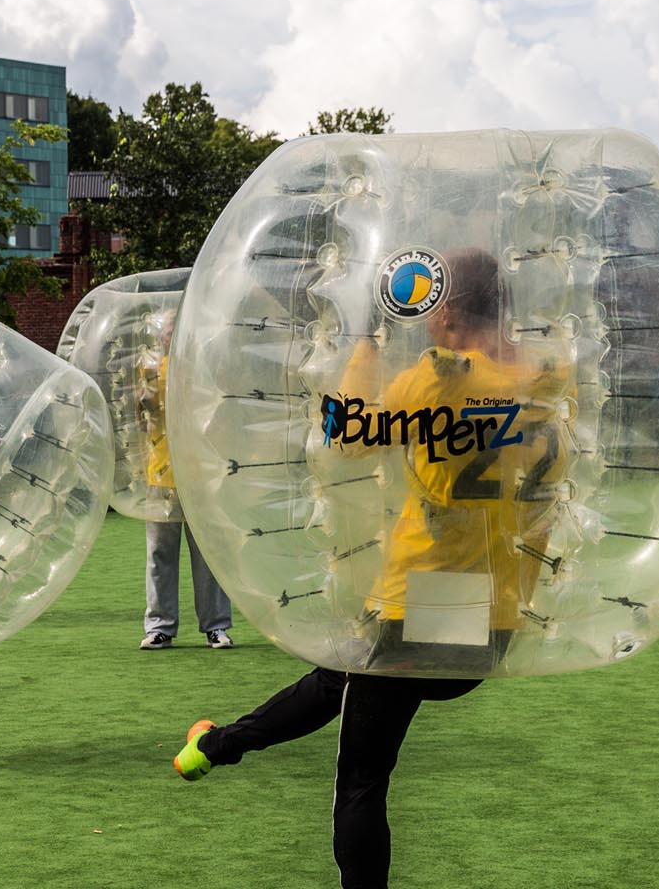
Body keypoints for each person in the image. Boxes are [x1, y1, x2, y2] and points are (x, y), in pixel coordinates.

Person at [170, 249, 571, 889]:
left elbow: (346, 432)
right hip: (495, 609)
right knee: (341, 679)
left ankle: (218, 749)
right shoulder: (545, 380)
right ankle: (215, 746)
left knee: (361, 775)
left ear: (441, 311)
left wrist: (361, 338)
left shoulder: (437, 379)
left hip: (422, 599)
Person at [136, 321, 233, 650]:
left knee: (207, 553)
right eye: (166, 333)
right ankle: (160, 627)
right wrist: (143, 403)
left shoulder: (201, 372)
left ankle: (216, 626)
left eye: (176, 331)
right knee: (159, 553)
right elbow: (141, 419)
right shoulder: (149, 370)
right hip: (160, 476)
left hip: (200, 475)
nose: (170, 337)